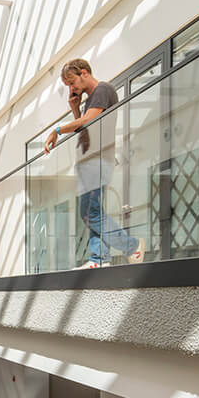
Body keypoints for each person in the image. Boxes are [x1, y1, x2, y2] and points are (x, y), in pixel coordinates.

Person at [44, 58, 143, 269]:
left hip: (97, 160)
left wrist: (57, 130)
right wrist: (75, 108)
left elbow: (87, 122)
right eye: (68, 86)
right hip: (91, 160)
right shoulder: (91, 100)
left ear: (84, 73)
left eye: (72, 83)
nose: (72, 89)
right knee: (93, 212)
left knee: (90, 213)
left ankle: (131, 246)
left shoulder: (102, 90)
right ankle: (99, 258)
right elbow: (85, 128)